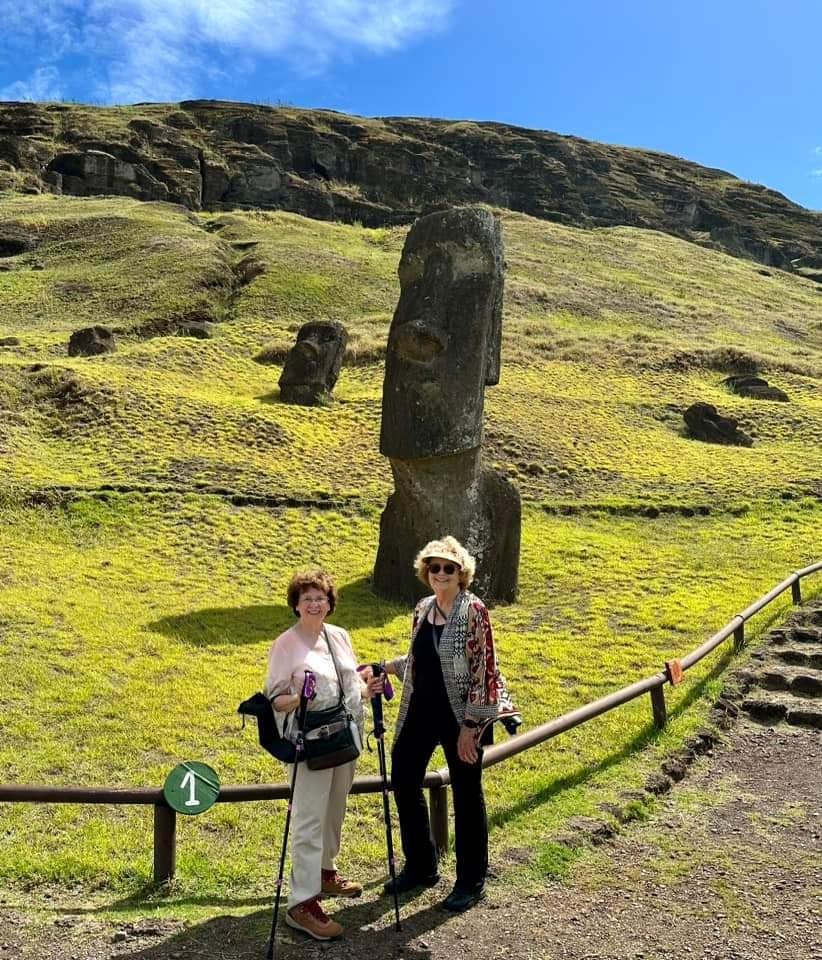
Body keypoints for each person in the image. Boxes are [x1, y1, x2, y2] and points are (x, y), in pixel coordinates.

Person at [380, 536, 500, 913]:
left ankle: (470, 880)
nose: (442, 574)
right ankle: (421, 865)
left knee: (466, 792)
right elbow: (419, 659)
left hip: (460, 714)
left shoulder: (474, 610)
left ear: (461, 572)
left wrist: (470, 727)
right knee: (403, 776)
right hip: (420, 709)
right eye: (435, 567)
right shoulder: (423, 608)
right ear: (426, 572)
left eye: (449, 568)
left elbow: (485, 670)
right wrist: (386, 667)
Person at [265, 568, 381, 941]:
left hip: (345, 738)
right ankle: (301, 904)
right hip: (309, 742)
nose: (315, 604)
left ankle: (324, 872)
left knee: (334, 809)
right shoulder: (286, 644)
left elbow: (351, 686)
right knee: (309, 818)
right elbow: (274, 699)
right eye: (308, 598)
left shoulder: (339, 636)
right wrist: (300, 698)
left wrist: (368, 688)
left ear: (330, 603)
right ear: (296, 605)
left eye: (321, 598)